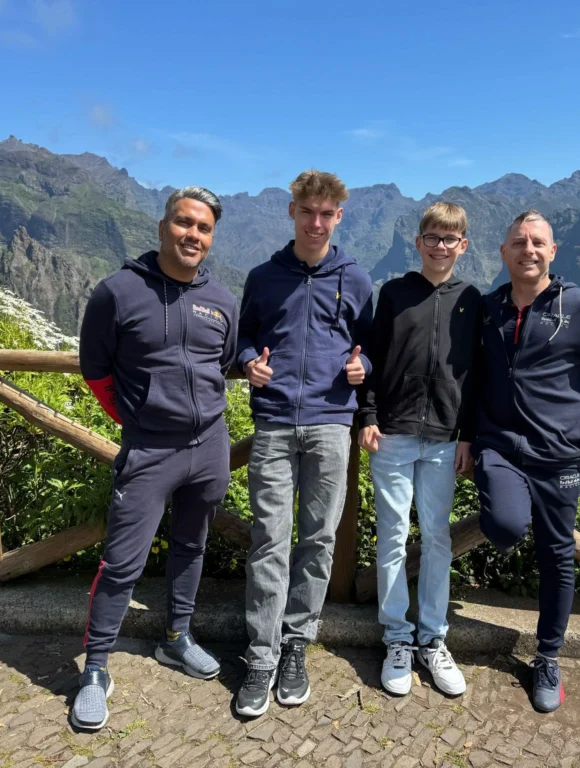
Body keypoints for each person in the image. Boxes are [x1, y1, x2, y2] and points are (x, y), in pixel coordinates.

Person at [72, 186, 238, 730]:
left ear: (211, 237)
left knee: (192, 545)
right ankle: (95, 669)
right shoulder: (118, 292)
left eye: (204, 228)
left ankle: (176, 637)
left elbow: (223, 362)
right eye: (184, 223)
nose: (193, 235)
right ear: (164, 226)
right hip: (149, 449)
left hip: (210, 446)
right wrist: (135, 420)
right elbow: (95, 370)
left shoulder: (223, 300)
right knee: (122, 562)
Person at [471, 209, 580, 713]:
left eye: (537, 242)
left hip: (558, 454)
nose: (528, 250)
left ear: (553, 251)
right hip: (500, 445)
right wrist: (469, 435)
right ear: (503, 252)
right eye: (518, 242)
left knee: (557, 554)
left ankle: (548, 656)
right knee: (506, 525)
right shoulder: (487, 310)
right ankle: (512, 515)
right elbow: (471, 376)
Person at [234, 170, 373, 717]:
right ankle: (261, 655)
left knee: (317, 539)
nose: (316, 223)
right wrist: (249, 361)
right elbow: (244, 336)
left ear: (339, 217)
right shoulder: (263, 277)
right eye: (307, 211)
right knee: (269, 538)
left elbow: (371, 344)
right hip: (273, 422)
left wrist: (364, 366)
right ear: (292, 211)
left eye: (326, 214)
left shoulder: (355, 278)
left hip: (332, 423)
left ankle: (296, 643)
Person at [357, 201, 482, 697]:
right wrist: (368, 415)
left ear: (463, 245)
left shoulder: (472, 299)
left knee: (437, 538)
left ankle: (432, 639)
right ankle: (396, 638)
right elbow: (372, 357)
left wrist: (467, 434)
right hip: (392, 433)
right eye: (432, 237)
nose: (439, 246)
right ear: (418, 242)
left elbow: (476, 373)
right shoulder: (394, 293)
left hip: (444, 438)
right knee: (391, 538)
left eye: (449, 239)